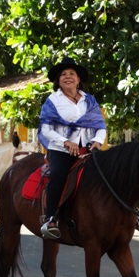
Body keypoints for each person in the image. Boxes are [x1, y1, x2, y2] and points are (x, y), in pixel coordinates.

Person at [38, 57, 106, 239]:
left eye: (72, 74)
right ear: (58, 80)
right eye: (63, 74)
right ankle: (50, 219)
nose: (68, 77)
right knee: (58, 175)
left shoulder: (89, 100)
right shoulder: (53, 100)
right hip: (61, 150)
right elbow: (46, 129)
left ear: (78, 79)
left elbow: (100, 126)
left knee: (110, 173)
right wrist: (66, 142)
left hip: (88, 149)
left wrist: (97, 141)